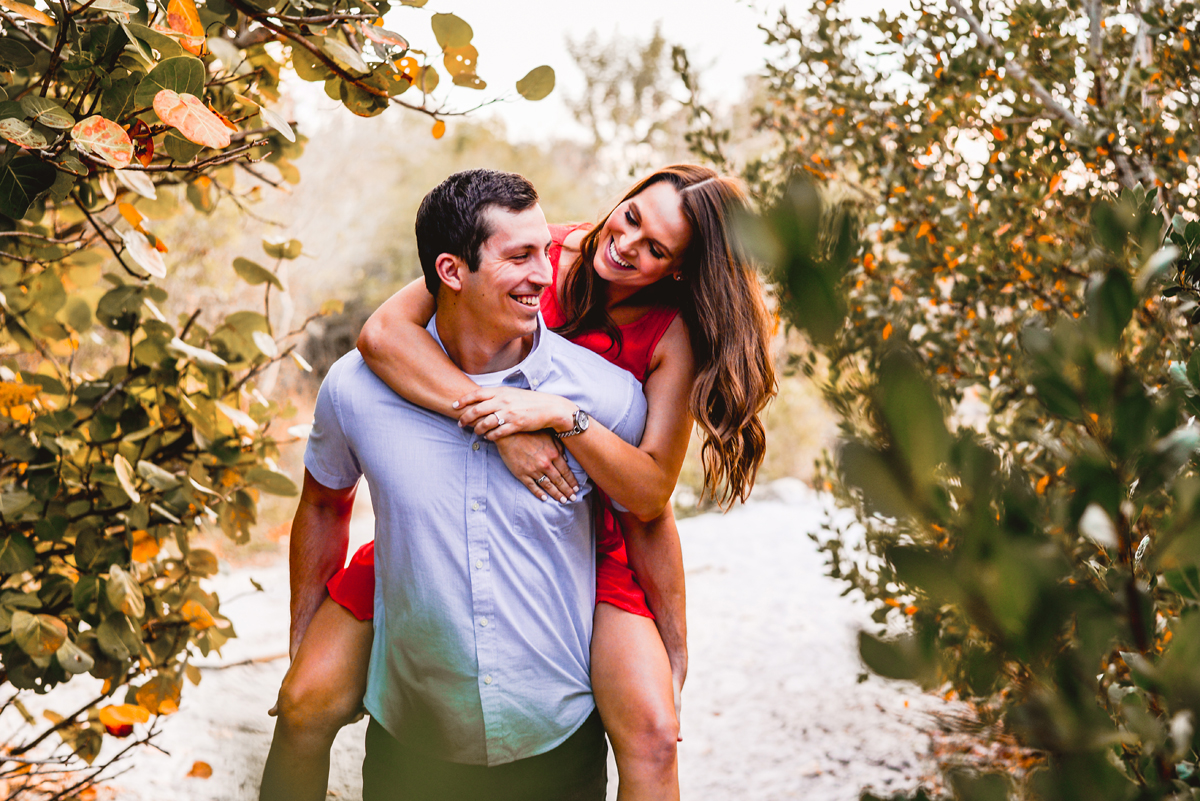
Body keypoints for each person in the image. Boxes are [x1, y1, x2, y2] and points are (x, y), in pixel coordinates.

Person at [263, 164, 777, 801]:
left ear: (679, 270)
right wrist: (503, 424)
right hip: (451, 505)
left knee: (653, 733)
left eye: (656, 249)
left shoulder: (668, 335)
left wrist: (561, 416)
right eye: (633, 217)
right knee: (304, 703)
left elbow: (649, 498)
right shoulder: (539, 250)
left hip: (585, 522)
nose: (627, 244)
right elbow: (383, 334)